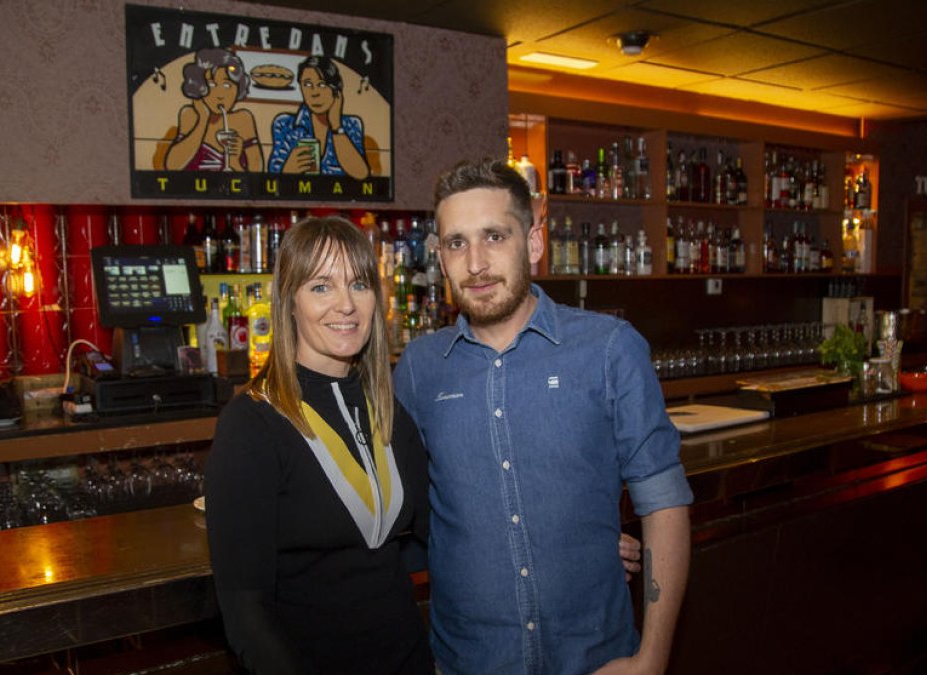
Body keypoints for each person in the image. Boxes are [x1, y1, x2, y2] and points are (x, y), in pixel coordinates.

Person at [394, 158, 693, 675]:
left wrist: (652, 660)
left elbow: (663, 505)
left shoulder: (608, 350)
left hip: (596, 661)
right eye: (457, 243)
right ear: (440, 259)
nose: (477, 263)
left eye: (494, 236)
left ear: (533, 242)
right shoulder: (420, 370)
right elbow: (402, 515)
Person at [204, 216, 431, 674]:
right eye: (321, 286)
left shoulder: (389, 411)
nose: (346, 305)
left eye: (359, 284)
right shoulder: (252, 424)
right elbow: (245, 613)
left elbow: (441, 537)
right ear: (289, 302)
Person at [268, 55, 370, 179]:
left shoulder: (351, 125)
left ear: (336, 89)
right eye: (307, 84)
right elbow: (271, 182)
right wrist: (289, 169)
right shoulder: (284, 124)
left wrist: (336, 127)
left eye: (322, 85)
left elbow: (361, 174)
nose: (314, 93)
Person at [164, 47, 264, 172]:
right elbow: (172, 166)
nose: (220, 94)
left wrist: (234, 162)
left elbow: (258, 177)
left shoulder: (244, 118)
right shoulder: (190, 115)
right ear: (199, 86)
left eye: (227, 85)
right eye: (211, 84)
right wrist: (202, 120)